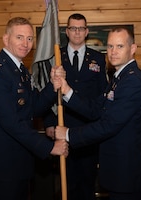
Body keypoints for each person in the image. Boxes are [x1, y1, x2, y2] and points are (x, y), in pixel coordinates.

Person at [55, 26, 141, 200]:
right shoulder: (119, 78)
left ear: (133, 49)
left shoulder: (132, 82)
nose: (113, 52)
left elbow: (109, 125)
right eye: (110, 46)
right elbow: (95, 109)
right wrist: (67, 90)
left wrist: (69, 134)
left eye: (120, 46)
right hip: (117, 170)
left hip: (126, 171)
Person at [0, 17, 68, 200]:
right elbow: (11, 123)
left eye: (29, 39)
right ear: (6, 39)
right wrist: (49, 147)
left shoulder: (20, 71)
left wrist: (53, 85)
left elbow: (33, 108)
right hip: (3, 167)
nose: (25, 43)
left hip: (19, 164)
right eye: (19, 37)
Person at [43, 13, 108, 200]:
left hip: (89, 128)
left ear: (86, 31)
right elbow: (47, 92)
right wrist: (49, 122)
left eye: (81, 28)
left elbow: (101, 94)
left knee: (87, 182)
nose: (77, 32)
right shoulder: (56, 57)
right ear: (67, 31)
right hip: (64, 126)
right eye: (73, 28)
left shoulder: (98, 58)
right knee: (67, 183)